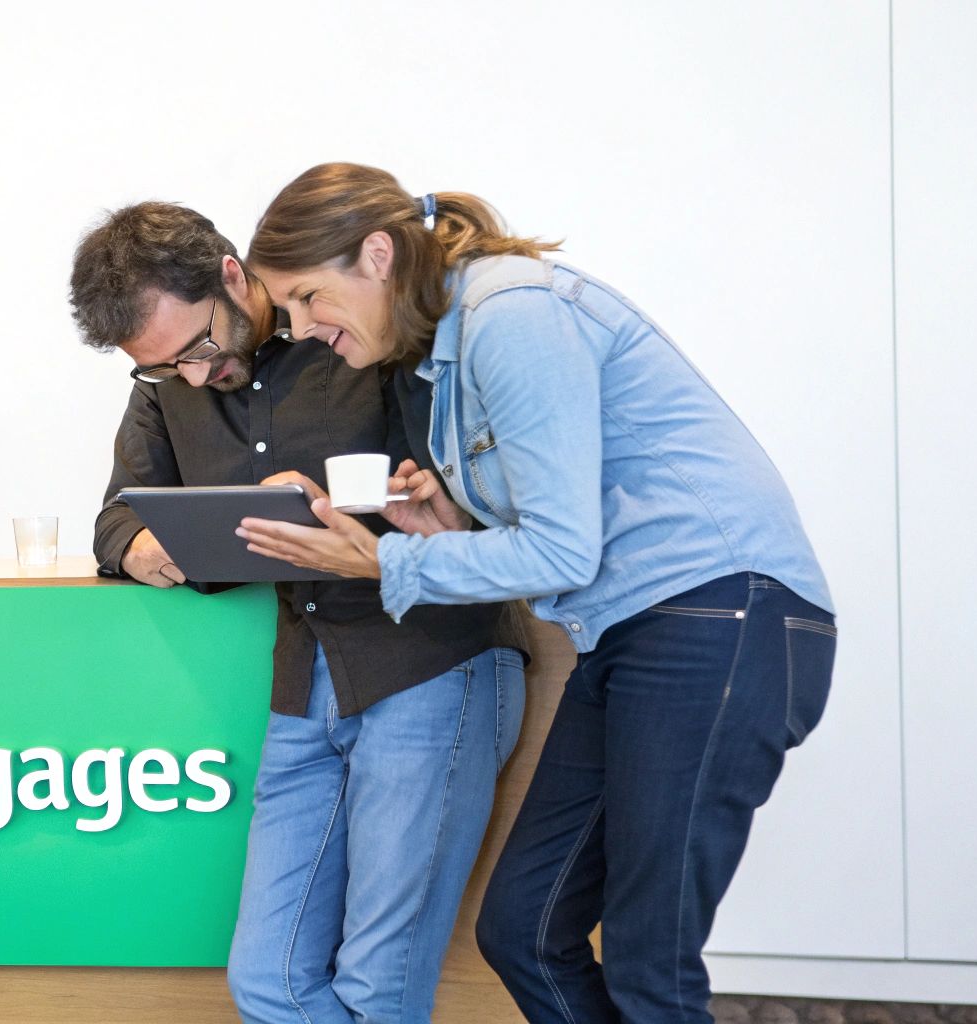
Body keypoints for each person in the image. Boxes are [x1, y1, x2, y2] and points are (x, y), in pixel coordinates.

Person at [236, 163, 837, 1023]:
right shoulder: (451, 353)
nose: (299, 329)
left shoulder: (509, 311)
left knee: (649, 964)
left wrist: (383, 563)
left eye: (305, 297)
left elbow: (561, 549)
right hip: (630, 631)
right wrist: (450, 530)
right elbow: (554, 536)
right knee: (524, 929)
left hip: (718, 615)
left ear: (376, 255)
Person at [71, 201, 525, 1023]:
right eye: (163, 368)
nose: (194, 377)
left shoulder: (353, 326)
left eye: (198, 349)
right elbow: (117, 516)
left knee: (377, 986)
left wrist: (348, 509)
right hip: (303, 680)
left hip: (426, 662)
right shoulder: (169, 384)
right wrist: (138, 545)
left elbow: (472, 496)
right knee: (268, 982)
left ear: (232, 276)